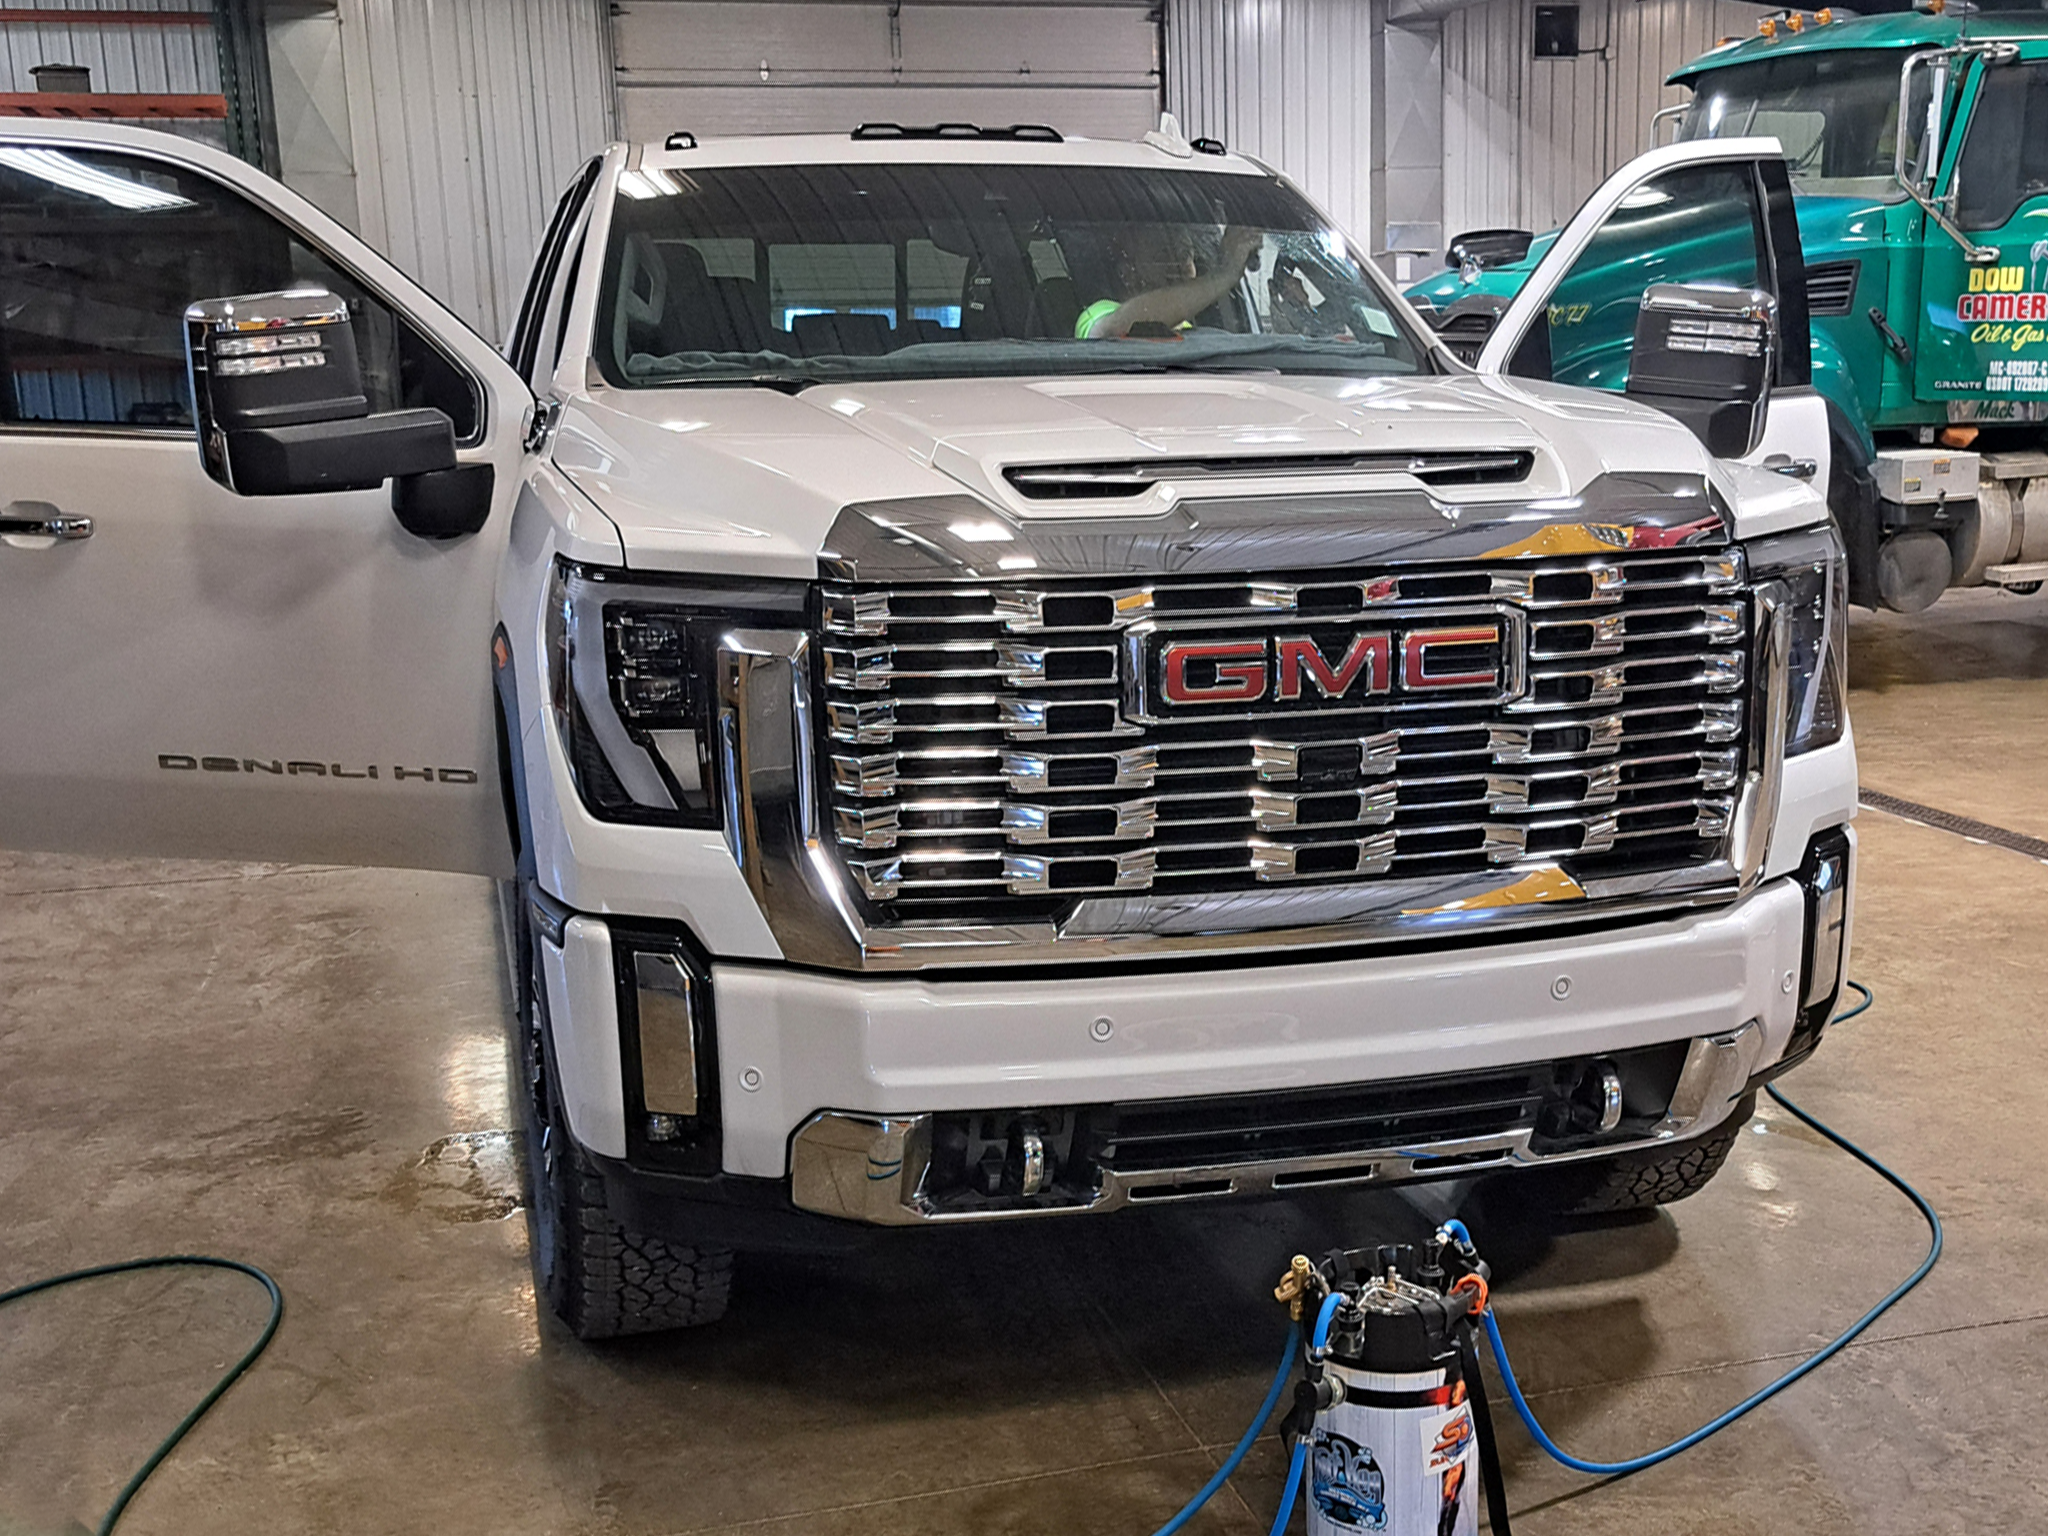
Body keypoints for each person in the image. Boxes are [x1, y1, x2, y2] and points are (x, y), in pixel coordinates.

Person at [1074, 223, 1263, 339]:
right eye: (1164, 255)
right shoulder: (1098, 314)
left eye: (1185, 255)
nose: (1180, 266)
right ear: (1127, 272)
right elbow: (1119, 328)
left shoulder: (1191, 331)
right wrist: (1225, 275)